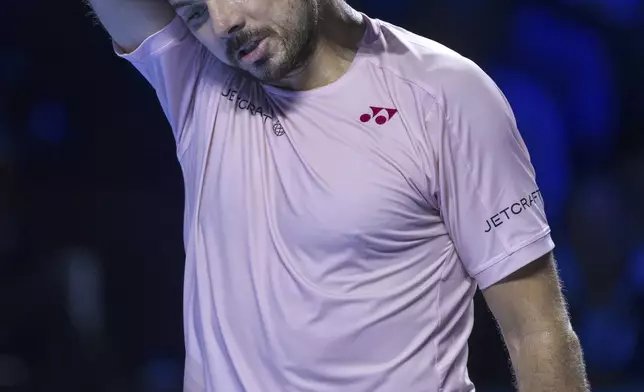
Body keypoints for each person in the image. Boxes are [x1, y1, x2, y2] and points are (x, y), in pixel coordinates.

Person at [84, 0, 590, 391]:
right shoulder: (198, 80)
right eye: (194, 11)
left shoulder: (449, 96)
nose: (222, 23)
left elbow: (538, 331)